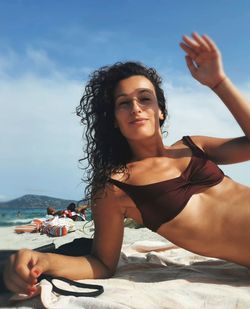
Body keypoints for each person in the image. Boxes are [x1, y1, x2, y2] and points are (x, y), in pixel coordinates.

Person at [3, 32, 250, 297]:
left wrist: (219, 82)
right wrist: (42, 260)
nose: (135, 107)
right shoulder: (115, 187)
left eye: (145, 98)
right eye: (124, 103)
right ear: (114, 120)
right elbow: (102, 263)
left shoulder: (193, 145)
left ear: (161, 111)